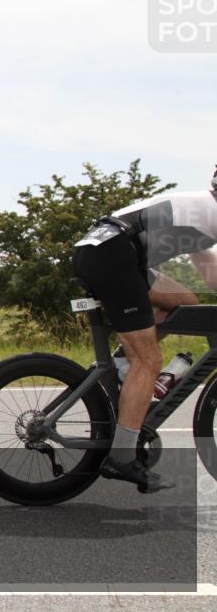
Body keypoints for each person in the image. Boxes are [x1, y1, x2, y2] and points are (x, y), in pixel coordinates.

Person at [72, 167, 217, 492]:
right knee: (149, 360)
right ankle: (121, 457)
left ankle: (124, 366)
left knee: (184, 301)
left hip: (110, 251)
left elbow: (212, 277)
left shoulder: (199, 209)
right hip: (112, 255)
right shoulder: (210, 212)